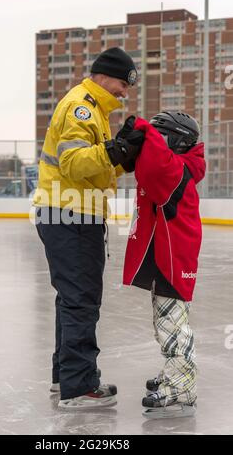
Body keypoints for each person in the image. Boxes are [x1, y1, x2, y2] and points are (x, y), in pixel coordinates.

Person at [33, 47, 144, 409]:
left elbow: (94, 170)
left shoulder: (93, 109)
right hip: (70, 214)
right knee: (81, 300)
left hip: (73, 212)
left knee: (72, 298)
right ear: (103, 75)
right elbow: (75, 163)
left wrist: (122, 158)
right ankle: (79, 387)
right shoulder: (80, 106)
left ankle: (64, 377)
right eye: (123, 83)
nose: (125, 92)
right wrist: (113, 150)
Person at [122, 111, 206, 419]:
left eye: (159, 139)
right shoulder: (177, 166)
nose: (151, 145)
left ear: (177, 142)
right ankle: (174, 371)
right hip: (164, 256)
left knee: (173, 324)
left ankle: (183, 387)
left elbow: (154, 171)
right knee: (164, 322)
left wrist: (142, 128)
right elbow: (147, 169)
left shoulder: (178, 170)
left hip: (175, 258)